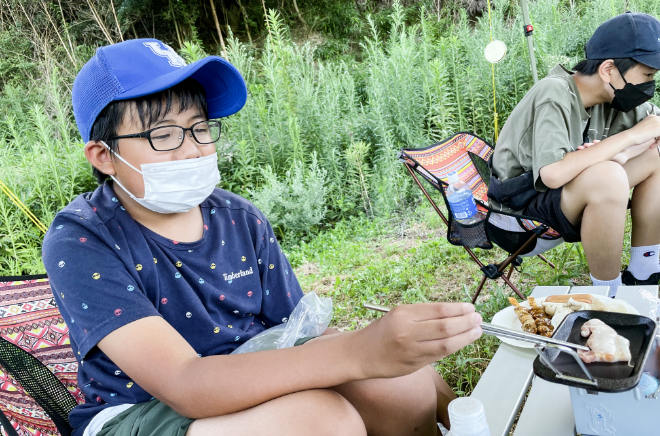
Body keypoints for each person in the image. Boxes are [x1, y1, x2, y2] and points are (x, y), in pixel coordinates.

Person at [42, 39, 483, 436]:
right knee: (322, 422)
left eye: (199, 127)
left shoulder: (237, 217)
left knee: (401, 387)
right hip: (144, 408)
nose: (194, 148)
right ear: (105, 156)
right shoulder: (82, 238)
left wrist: (417, 377)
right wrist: (359, 352)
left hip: (249, 364)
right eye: (164, 135)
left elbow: (299, 330)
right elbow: (184, 381)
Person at [489, 12, 660, 294]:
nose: (649, 87)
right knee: (608, 175)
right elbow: (553, 174)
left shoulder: (613, 97)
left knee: (652, 159)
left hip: (563, 198)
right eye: (647, 75)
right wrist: (629, 139)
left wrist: (625, 153)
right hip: (518, 211)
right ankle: (610, 296)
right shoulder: (554, 92)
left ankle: (644, 275)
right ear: (608, 70)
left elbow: (653, 128)